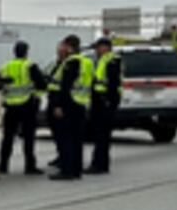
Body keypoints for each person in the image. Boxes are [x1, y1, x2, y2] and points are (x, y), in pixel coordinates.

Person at [0, 40, 47, 175]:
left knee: (7, 137)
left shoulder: (6, 66)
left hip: (10, 106)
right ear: (26, 52)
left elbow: (0, 85)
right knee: (29, 137)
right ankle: (29, 166)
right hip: (27, 106)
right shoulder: (30, 66)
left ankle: (3, 165)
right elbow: (42, 84)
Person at [47, 35, 93, 180]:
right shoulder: (87, 62)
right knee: (77, 139)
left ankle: (67, 170)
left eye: (63, 45)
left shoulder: (71, 62)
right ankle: (76, 170)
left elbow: (65, 86)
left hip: (69, 104)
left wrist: (59, 105)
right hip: (81, 103)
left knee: (66, 138)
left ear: (68, 47)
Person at [87, 36, 122, 174]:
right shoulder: (103, 60)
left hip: (105, 102)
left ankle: (99, 165)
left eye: (98, 47)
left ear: (106, 47)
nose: (96, 50)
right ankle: (100, 163)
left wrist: (108, 101)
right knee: (100, 135)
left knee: (102, 135)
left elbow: (112, 83)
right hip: (100, 101)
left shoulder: (111, 60)